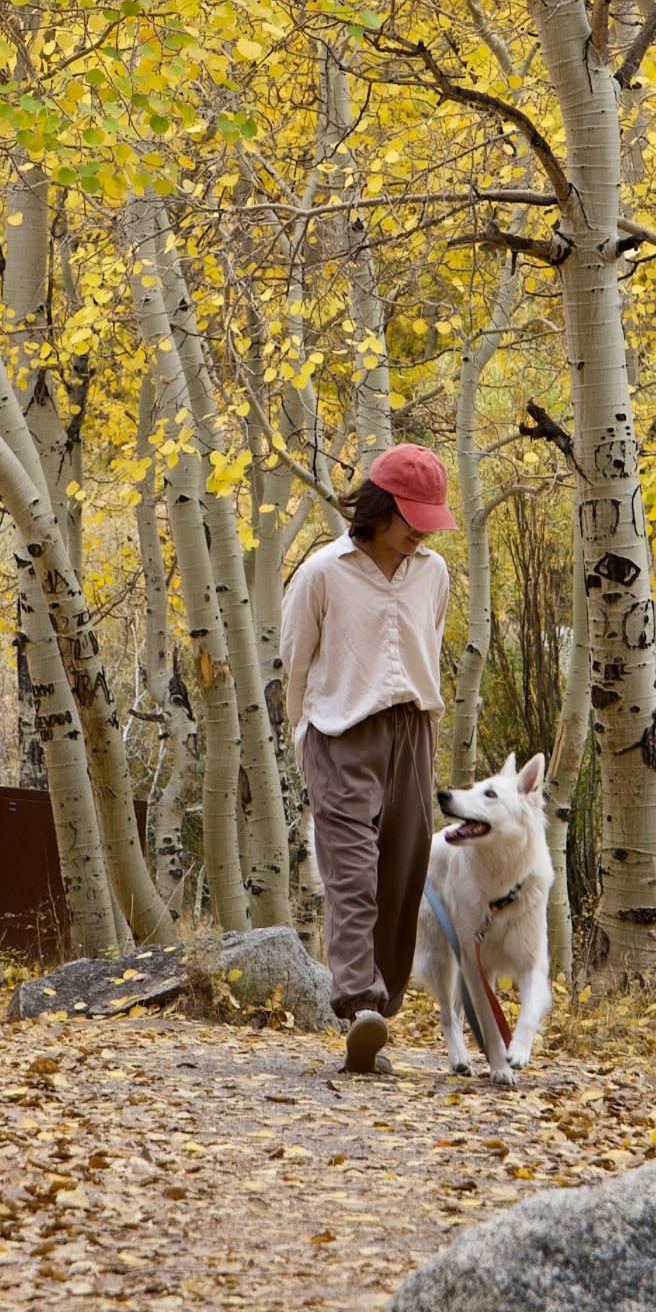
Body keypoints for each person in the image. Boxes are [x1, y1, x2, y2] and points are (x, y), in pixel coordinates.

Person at [280, 441, 454, 1075]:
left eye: (430, 521)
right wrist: (306, 734)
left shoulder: (434, 574)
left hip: (412, 734)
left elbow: (427, 645)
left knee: (402, 879)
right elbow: (295, 658)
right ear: (380, 509)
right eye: (413, 519)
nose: (421, 534)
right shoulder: (323, 572)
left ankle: (381, 1014)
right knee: (351, 877)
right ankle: (358, 1006)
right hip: (339, 732)